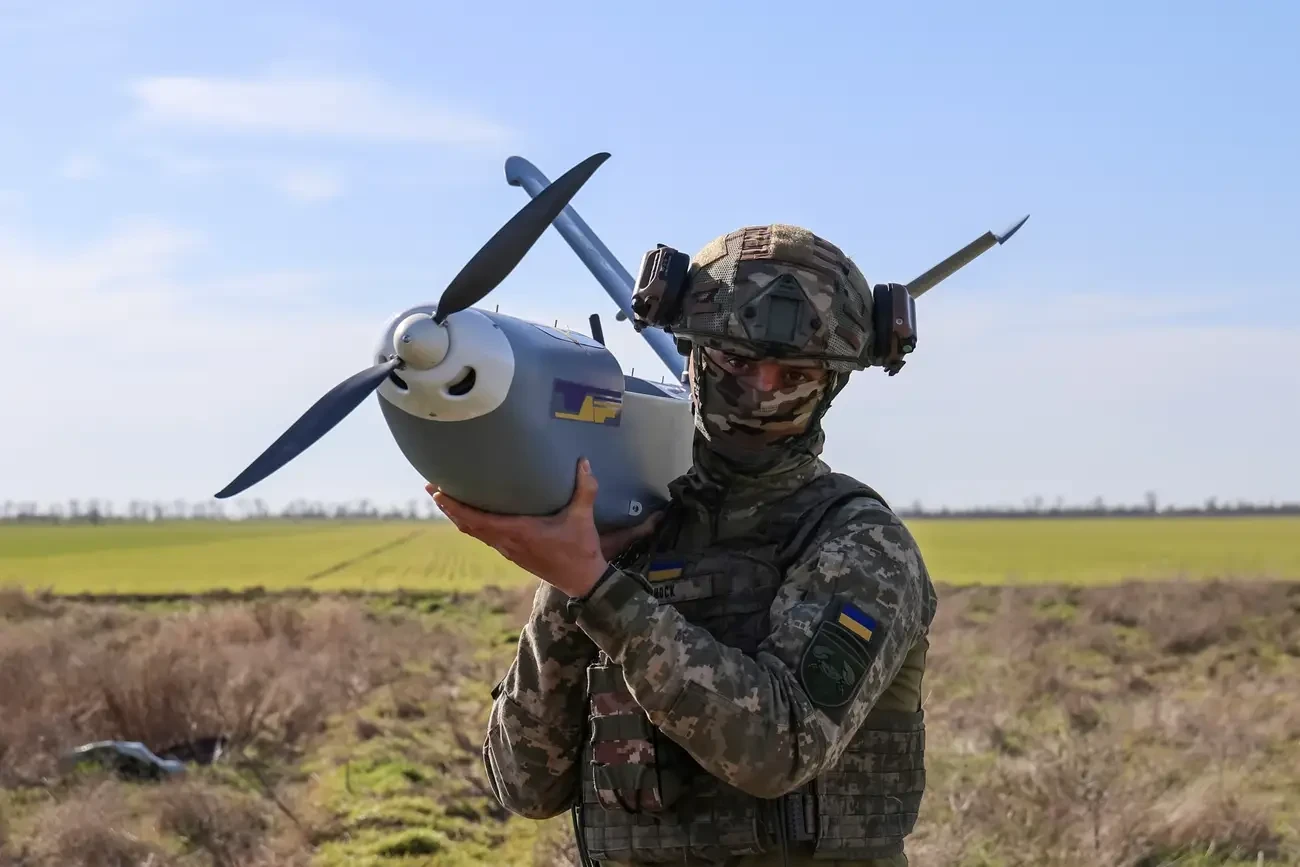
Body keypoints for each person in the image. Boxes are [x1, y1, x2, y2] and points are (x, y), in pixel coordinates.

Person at [430, 223, 939, 866]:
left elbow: (781, 748)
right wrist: (564, 590)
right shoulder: (631, 526)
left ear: (831, 384)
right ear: (692, 353)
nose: (761, 392)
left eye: (794, 373)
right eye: (736, 362)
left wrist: (598, 588)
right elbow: (527, 785)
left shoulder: (861, 542)